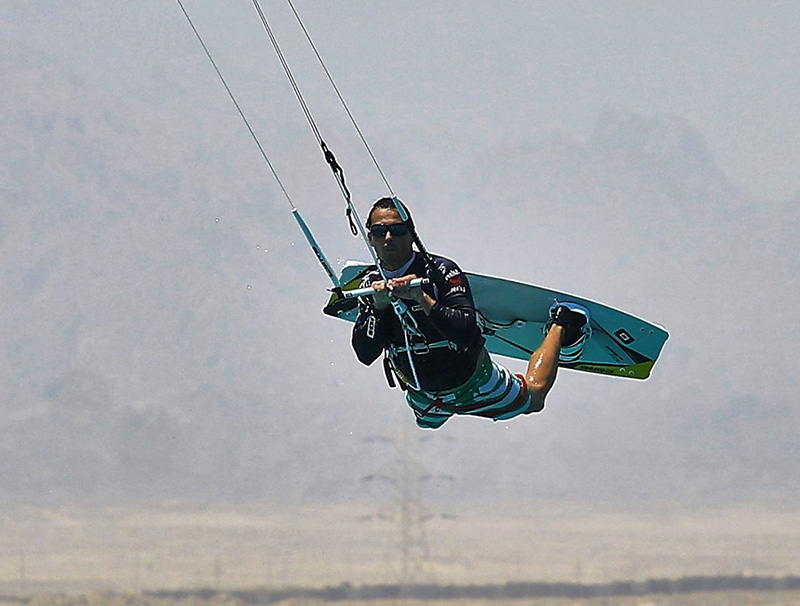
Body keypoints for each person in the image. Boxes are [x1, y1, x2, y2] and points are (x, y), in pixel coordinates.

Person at [351, 197, 589, 429]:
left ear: (412, 234)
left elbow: (466, 332)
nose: (389, 237)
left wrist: (421, 298)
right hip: (423, 396)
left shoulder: (439, 270)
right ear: (370, 237)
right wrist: (379, 306)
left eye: (398, 229)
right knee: (426, 425)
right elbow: (365, 354)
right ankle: (437, 412)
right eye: (380, 231)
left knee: (534, 398)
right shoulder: (371, 283)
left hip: (474, 384)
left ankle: (562, 325)